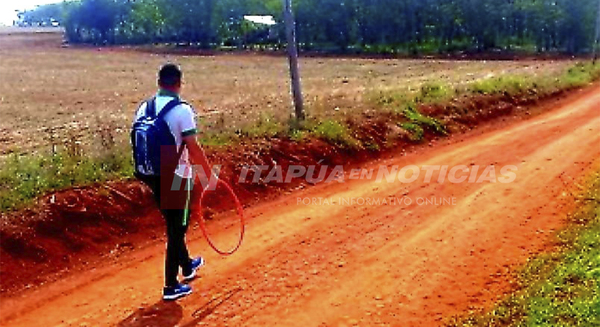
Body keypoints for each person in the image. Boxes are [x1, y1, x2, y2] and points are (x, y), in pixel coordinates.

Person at [132, 63, 215, 301]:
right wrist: (208, 175)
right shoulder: (182, 110)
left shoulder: (144, 108)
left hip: (150, 174)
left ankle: (187, 265)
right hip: (176, 177)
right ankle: (170, 286)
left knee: (172, 220)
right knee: (177, 228)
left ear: (159, 82)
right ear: (179, 83)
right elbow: (193, 147)